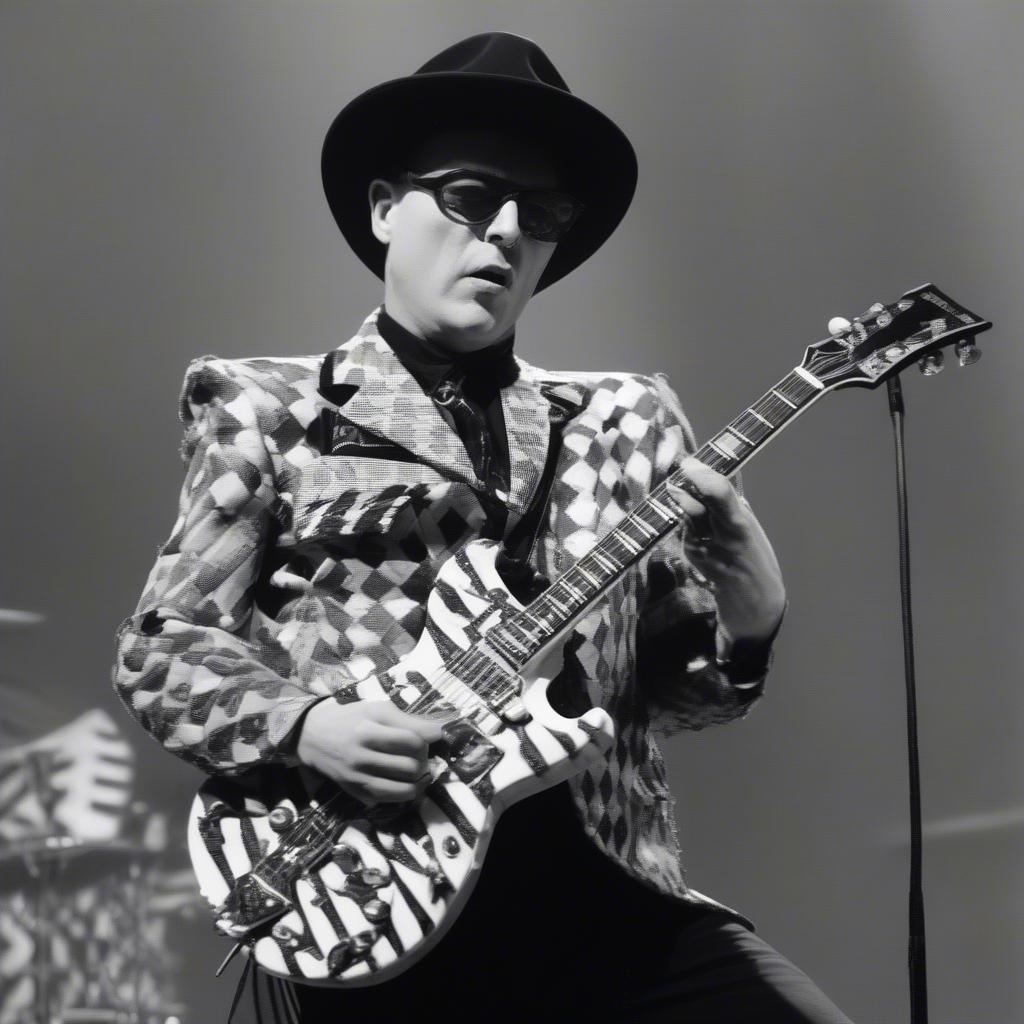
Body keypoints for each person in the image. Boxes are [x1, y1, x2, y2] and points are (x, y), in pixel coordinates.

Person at [113, 31, 852, 1024]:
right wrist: (306, 723)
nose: (505, 231)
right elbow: (163, 654)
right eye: (469, 195)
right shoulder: (267, 405)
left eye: (539, 211)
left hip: (609, 898)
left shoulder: (626, 420)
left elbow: (674, 698)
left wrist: (751, 623)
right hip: (377, 890)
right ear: (385, 208)